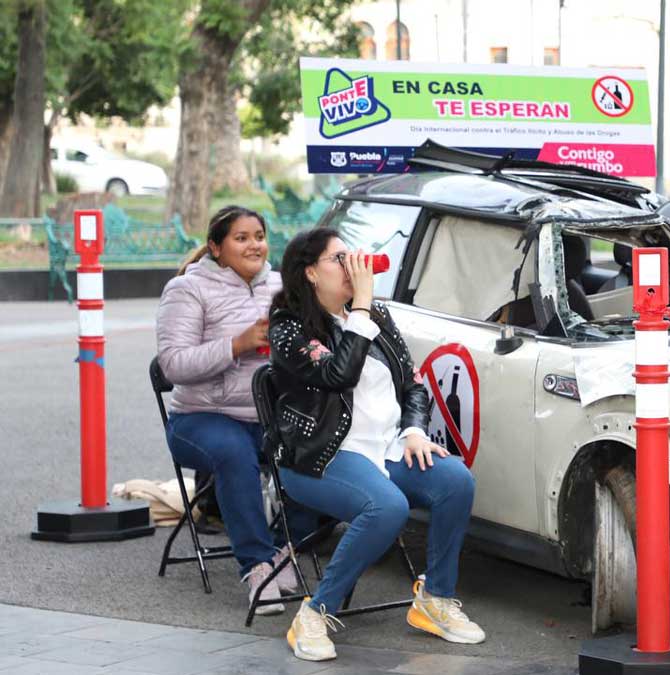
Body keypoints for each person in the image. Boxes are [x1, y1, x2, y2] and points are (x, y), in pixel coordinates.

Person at [268, 228, 483, 662]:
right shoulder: (289, 327)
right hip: (320, 456)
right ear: (310, 273)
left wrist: (414, 430)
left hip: (384, 447)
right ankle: (315, 613)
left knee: (455, 482)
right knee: (387, 507)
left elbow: (413, 383)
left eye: (352, 256)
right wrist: (361, 308)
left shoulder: (375, 315)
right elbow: (337, 375)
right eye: (339, 259)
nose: (353, 266)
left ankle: (435, 599)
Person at [156, 205, 312, 615]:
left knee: (318, 445)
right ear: (216, 247)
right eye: (241, 238)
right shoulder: (188, 289)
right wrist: (236, 345)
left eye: (258, 236)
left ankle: (284, 549)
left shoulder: (282, 286)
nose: (253, 245)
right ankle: (257, 566)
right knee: (234, 453)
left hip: (269, 416)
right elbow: (173, 365)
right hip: (201, 419)